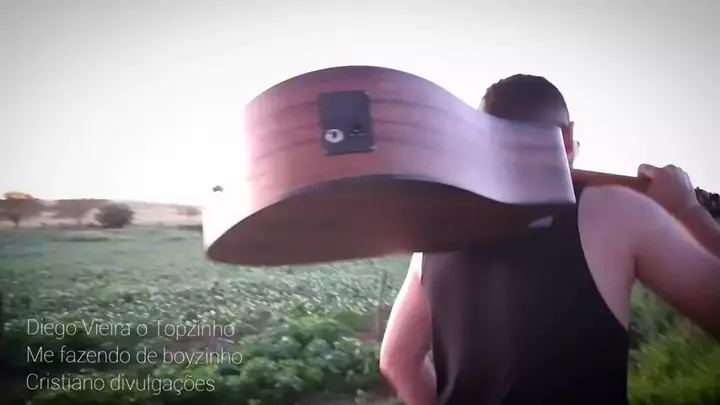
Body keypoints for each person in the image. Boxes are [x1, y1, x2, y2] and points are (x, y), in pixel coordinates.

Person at [378, 74, 720, 405]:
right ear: (567, 139)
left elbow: (397, 361)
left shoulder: (433, 240)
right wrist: (688, 210)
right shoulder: (614, 211)